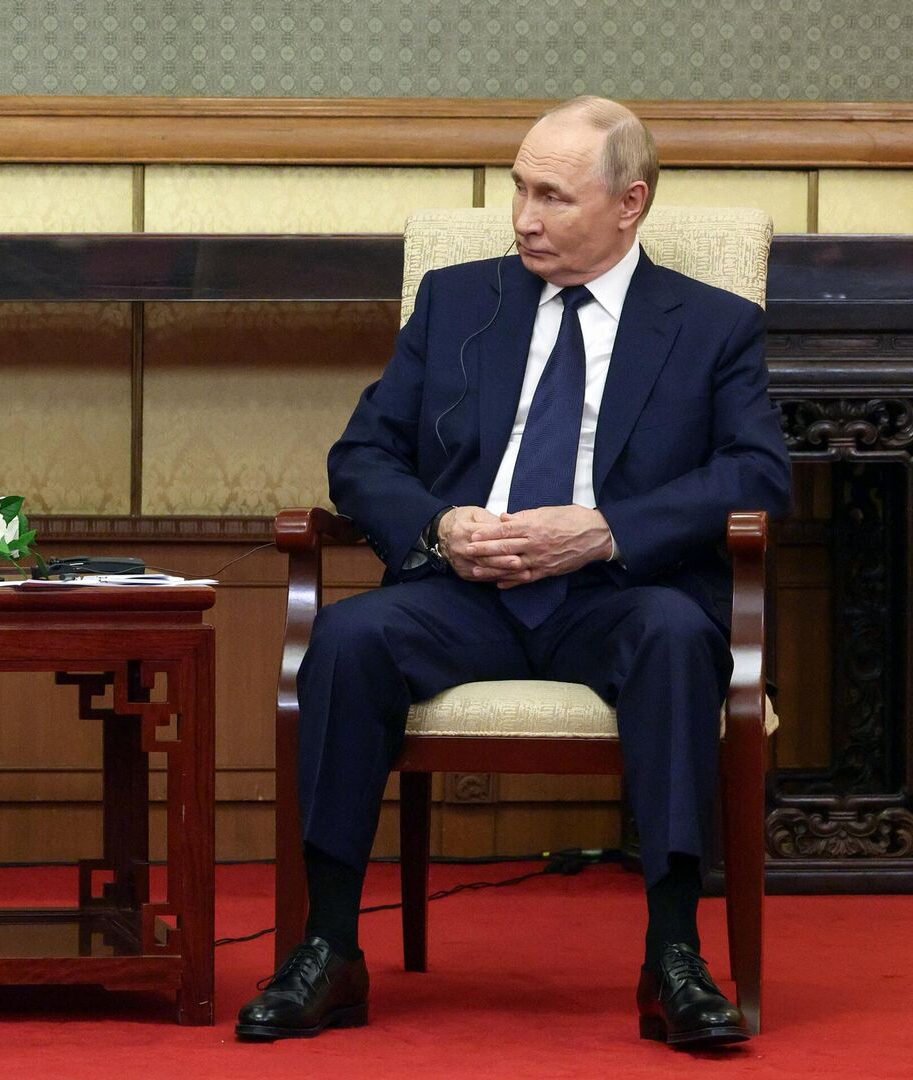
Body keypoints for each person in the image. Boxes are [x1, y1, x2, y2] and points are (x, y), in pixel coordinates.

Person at [235, 97, 791, 1050]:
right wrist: (440, 527)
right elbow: (362, 456)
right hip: (465, 592)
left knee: (675, 638)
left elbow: (758, 474)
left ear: (629, 203)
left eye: (552, 197)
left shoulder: (711, 325)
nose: (524, 219)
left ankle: (673, 957)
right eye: (519, 190)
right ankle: (329, 950)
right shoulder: (458, 301)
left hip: (619, 596)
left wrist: (606, 531)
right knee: (348, 639)